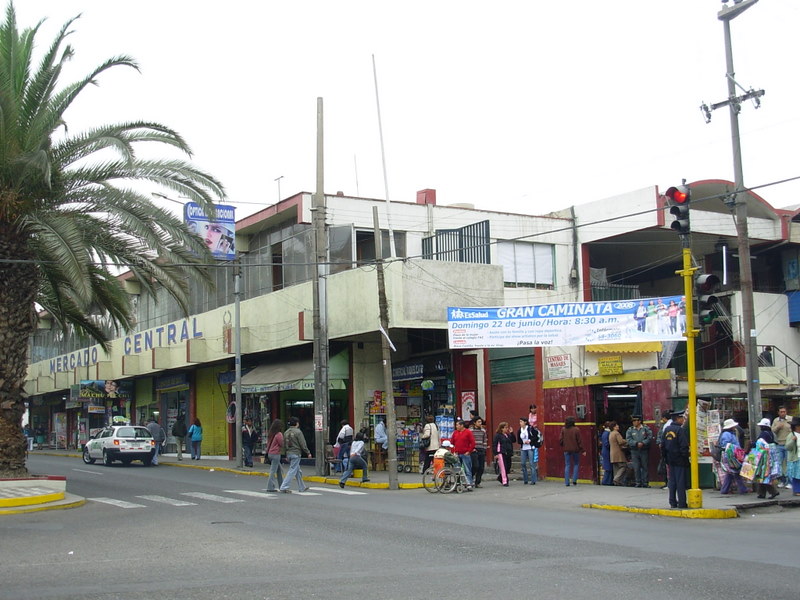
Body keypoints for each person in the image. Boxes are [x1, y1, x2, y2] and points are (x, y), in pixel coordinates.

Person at [661, 411, 689, 509]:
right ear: (678, 418)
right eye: (682, 418)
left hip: (670, 459)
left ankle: (672, 502)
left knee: (672, 482)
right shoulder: (680, 430)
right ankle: (682, 503)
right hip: (680, 460)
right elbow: (684, 446)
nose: (683, 420)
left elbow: (662, 445)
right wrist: (685, 457)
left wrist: (665, 457)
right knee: (680, 482)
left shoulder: (667, 429)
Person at [279, 417, 312, 493]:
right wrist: (308, 452)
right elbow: (303, 444)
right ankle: (284, 486)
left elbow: (284, 445)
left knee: (298, 471)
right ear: (297, 423)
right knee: (292, 470)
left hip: (289, 453)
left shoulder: (286, 432)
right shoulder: (298, 432)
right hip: (296, 453)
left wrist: (285, 454)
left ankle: (302, 487)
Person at [718, 418, 748, 495]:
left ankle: (725, 489)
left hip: (732, 455)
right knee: (735, 471)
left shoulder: (729, 434)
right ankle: (742, 489)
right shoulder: (727, 435)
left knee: (732, 472)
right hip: (730, 455)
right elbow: (726, 446)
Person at [754, 417, 780, 499]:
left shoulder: (763, 434)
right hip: (770, 456)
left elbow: (759, 444)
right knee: (762, 475)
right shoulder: (771, 433)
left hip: (764, 457)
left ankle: (773, 491)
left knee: (763, 475)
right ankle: (761, 493)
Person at [625, 415, 653, 488]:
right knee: (636, 467)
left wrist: (643, 443)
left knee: (645, 466)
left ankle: (645, 482)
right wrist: (636, 443)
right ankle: (638, 482)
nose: (633, 422)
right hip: (634, 450)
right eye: (633, 421)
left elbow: (650, 437)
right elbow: (628, 439)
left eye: (635, 421)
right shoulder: (630, 430)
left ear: (639, 421)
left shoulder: (645, 429)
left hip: (644, 449)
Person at [559, 416, 584, 486]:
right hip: (575, 449)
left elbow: (560, 440)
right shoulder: (576, 429)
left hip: (566, 449)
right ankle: (574, 480)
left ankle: (567, 482)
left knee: (567, 465)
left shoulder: (563, 429)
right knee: (576, 464)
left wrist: (564, 445)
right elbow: (580, 441)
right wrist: (583, 450)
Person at [451, 419, 475, 491]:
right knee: (457, 470)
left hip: (465, 453)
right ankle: (458, 483)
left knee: (467, 469)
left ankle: (469, 483)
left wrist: (469, 451)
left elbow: (473, 442)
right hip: (457, 453)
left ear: (462, 425)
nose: (456, 426)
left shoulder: (468, 432)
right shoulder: (455, 433)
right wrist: (453, 451)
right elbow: (452, 443)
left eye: (457, 425)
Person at [772, 406, 791, 488]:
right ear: (778, 413)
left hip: (788, 444)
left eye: (784, 411)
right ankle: (782, 480)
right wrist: (778, 427)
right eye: (781, 412)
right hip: (779, 444)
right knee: (779, 463)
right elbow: (772, 431)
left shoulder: (790, 419)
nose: (783, 413)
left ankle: (789, 481)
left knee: (788, 463)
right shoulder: (776, 420)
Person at [517, 417, 540, 485]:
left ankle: (533, 480)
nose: (520, 423)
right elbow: (518, 440)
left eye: (521, 421)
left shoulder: (530, 428)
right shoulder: (519, 430)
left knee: (531, 463)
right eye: (520, 422)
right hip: (523, 448)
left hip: (530, 447)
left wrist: (529, 440)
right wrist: (523, 442)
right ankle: (525, 479)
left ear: (525, 422)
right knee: (523, 463)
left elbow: (536, 436)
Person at [265, 419, 285, 492]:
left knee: (279, 470)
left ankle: (282, 486)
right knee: (273, 471)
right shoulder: (279, 434)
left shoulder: (271, 434)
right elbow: (281, 444)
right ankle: (270, 487)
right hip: (276, 454)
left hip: (270, 453)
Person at [493, 422, 515, 486]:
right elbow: (495, 444)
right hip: (501, 452)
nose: (507, 429)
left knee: (508, 467)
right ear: (501, 428)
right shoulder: (498, 435)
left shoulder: (507, 435)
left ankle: (500, 477)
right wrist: (495, 453)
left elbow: (513, 440)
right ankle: (505, 481)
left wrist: (512, 433)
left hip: (508, 453)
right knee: (503, 467)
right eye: (505, 428)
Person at [608, 421, 628, 486]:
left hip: (612, 453)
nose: (618, 426)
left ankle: (617, 481)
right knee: (623, 466)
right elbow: (621, 442)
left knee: (616, 468)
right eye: (617, 425)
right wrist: (627, 440)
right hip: (618, 452)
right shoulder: (616, 433)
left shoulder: (610, 434)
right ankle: (616, 479)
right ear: (614, 427)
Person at [470, 417, 488, 487]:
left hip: (481, 449)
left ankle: (478, 482)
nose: (480, 423)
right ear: (474, 423)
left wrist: (484, 448)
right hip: (474, 450)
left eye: (481, 422)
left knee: (481, 467)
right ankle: (470, 479)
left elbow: (485, 440)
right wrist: (471, 448)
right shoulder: (470, 431)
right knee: (475, 466)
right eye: (478, 422)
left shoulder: (483, 431)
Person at [785, 417, 800, 497]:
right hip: (795, 458)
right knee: (796, 475)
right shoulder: (791, 435)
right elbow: (787, 447)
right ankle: (797, 490)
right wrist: (793, 440)